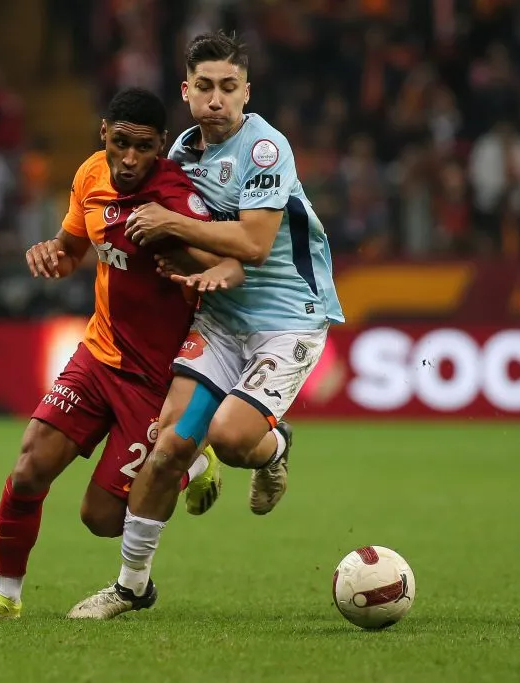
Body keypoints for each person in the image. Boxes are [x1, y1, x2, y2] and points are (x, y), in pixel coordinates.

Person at [68, 32, 345, 620]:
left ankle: (274, 449)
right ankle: (130, 586)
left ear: (247, 91)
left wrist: (172, 225)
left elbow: (253, 242)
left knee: (233, 437)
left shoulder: (265, 148)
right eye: (205, 87)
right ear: (186, 91)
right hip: (219, 321)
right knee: (167, 450)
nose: (216, 99)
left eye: (228, 87)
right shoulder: (182, 155)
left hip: (287, 320)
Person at [0, 88, 244, 620]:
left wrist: (189, 263)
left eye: (144, 148)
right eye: (120, 143)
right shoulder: (89, 176)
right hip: (98, 353)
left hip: (154, 380)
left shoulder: (176, 199)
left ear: (161, 147)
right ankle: (5, 597)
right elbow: (72, 250)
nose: (129, 159)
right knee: (30, 465)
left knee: (102, 518)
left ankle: (190, 456)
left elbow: (227, 264)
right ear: (104, 133)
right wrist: (52, 255)